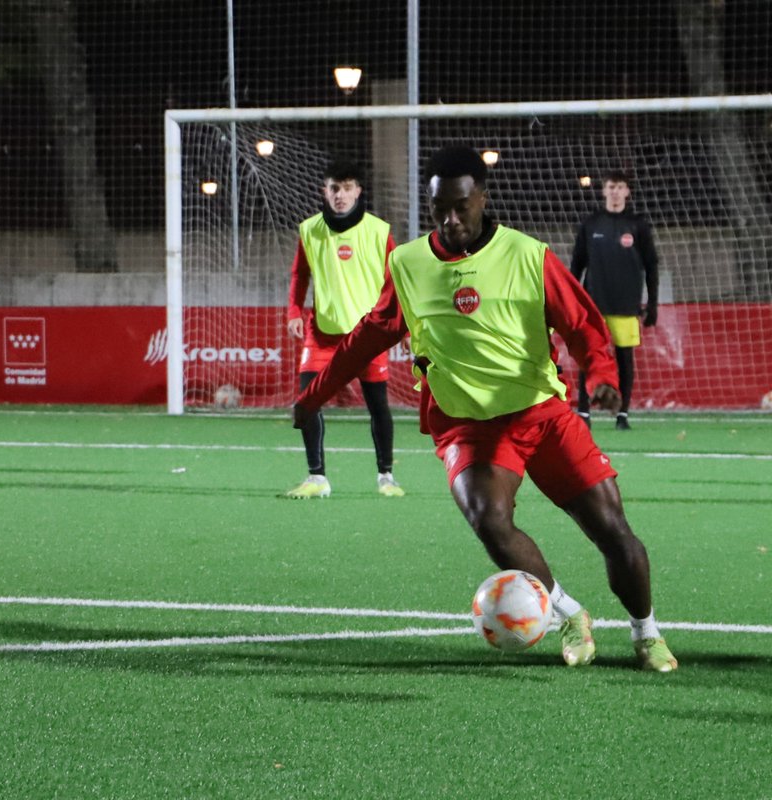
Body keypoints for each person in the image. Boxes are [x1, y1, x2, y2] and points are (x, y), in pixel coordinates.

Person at [292, 146, 677, 671]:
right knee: (489, 520)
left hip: (540, 412)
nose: (451, 220)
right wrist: (312, 396)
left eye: (462, 206)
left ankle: (646, 632)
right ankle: (568, 613)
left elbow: (583, 324)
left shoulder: (526, 255)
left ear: (483, 199)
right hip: (466, 425)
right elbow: (364, 340)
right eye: (440, 210)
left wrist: (604, 376)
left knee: (612, 530)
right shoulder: (407, 265)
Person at [284, 159, 403, 499]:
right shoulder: (309, 230)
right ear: (325, 190)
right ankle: (317, 477)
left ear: (358, 191)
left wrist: (399, 324)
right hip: (322, 333)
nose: (340, 195)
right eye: (334, 188)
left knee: (378, 405)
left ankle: (386, 477)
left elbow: (395, 281)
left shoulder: (379, 231)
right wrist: (294, 310)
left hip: (368, 335)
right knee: (307, 401)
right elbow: (300, 274)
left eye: (347, 188)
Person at [570, 170, 659, 430]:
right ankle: (584, 412)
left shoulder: (637, 225)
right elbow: (576, 265)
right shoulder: (591, 224)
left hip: (626, 305)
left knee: (624, 360)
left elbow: (651, 265)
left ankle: (622, 414)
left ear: (627, 192)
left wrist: (651, 303)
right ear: (604, 191)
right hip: (593, 305)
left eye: (620, 187)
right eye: (611, 187)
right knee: (589, 357)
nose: (615, 192)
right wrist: (570, 301)